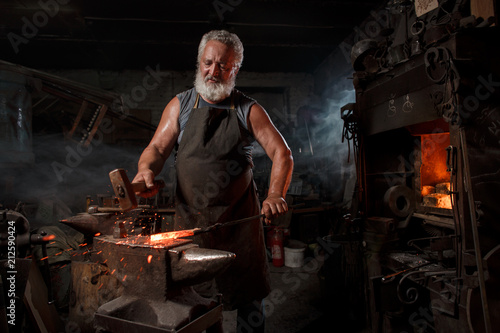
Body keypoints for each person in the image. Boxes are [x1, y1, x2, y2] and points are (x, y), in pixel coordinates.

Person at [133, 29, 293, 332]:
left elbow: (281, 153)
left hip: (238, 225)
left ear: (235, 69)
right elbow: (156, 149)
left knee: (249, 302)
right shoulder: (180, 105)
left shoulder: (248, 108)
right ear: (199, 62)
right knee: (196, 303)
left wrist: (275, 194)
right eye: (208, 63)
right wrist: (146, 171)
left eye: (223, 66)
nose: (213, 71)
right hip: (192, 225)